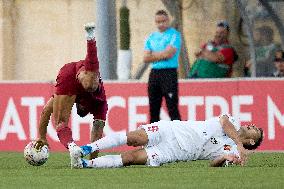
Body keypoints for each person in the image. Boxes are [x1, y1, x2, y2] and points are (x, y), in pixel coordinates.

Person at [69, 114, 263, 168]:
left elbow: (214, 162)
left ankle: (84, 164)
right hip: (172, 129)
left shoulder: (236, 152)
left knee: (131, 158)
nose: (253, 125)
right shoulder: (234, 124)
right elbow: (223, 121)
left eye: (256, 130)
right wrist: (238, 142)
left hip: (175, 152)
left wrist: (226, 157)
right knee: (134, 137)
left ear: (252, 142)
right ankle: (85, 149)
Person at [34, 23, 108, 160]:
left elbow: (46, 110)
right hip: (77, 72)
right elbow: (97, 134)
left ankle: (73, 148)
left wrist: (42, 136)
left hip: (72, 74)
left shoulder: (99, 105)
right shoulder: (101, 102)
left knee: (60, 122)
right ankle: (90, 39)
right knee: (90, 86)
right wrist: (93, 160)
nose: (76, 102)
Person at [143, 10, 181, 123]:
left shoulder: (174, 34)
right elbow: (145, 58)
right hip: (155, 73)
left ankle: (179, 136)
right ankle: (154, 138)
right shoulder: (151, 37)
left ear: (167, 20)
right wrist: (162, 54)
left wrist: (153, 55)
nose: (160, 24)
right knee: (153, 108)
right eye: (158, 22)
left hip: (169, 73)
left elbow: (169, 54)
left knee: (172, 107)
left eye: (163, 21)